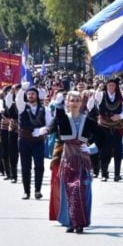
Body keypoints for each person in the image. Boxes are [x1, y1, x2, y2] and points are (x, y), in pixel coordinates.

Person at [43, 91, 98, 233]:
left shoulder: (88, 120)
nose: (74, 103)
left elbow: (101, 138)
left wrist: (92, 148)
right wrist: (44, 130)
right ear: (67, 102)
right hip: (67, 159)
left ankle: (80, 222)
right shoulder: (62, 118)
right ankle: (71, 222)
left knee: (81, 188)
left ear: (81, 103)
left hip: (83, 160)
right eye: (71, 100)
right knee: (68, 189)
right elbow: (51, 128)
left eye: (77, 100)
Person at [12, 85, 52, 200]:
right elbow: (18, 99)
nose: (30, 95)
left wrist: (43, 130)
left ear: (37, 95)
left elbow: (49, 123)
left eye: (33, 94)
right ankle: (26, 191)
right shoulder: (22, 106)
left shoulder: (45, 109)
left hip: (38, 141)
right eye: (29, 94)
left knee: (39, 166)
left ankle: (37, 190)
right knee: (25, 166)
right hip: (24, 140)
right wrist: (22, 89)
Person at [87, 78, 123, 182]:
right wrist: (97, 90)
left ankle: (117, 174)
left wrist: (119, 116)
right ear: (106, 86)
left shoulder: (121, 96)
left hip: (117, 126)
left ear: (116, 86)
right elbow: (89, 106)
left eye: (113, 85)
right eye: (109, 85)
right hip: (104, 126)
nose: (111, 87)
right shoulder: (101, 94)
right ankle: (104, 174)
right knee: (104, 150)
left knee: (118, 150)